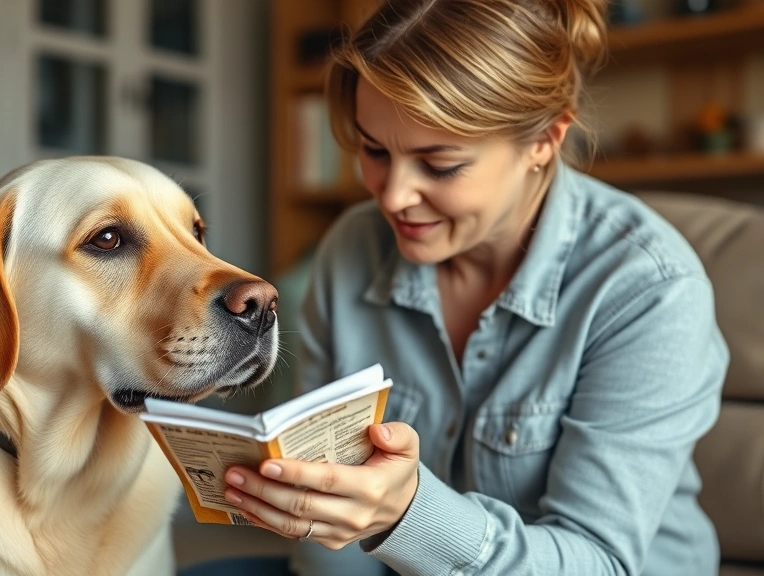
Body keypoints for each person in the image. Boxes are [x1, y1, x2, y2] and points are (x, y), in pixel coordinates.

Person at [222, 0, 730, 574]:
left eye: (439, 165)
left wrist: (408, 514)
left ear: (545, 140)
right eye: (374, 151)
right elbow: (328, 543)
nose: (392, 197)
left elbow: (601, 560)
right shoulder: (351, 252)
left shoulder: (649, 291)